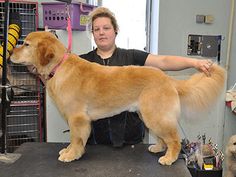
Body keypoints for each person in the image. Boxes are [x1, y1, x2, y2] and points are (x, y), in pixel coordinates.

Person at [80, 7, 213, 147]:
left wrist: (194, 62)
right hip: (95, 142)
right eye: (96, 29)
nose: (101, 32)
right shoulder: (83, 63)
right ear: (93, 34)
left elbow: (164, 61)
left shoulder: (132, 56)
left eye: (106, 28)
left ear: (115, 30)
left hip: (130, 140)